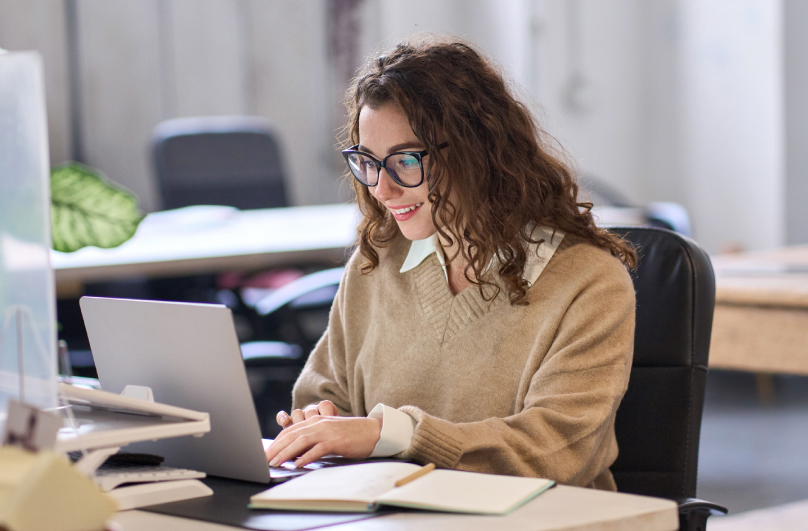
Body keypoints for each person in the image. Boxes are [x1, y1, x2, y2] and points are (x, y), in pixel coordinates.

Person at [263, 36, 638, 490]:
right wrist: (320, 423)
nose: (382, 189)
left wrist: (391, 434)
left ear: (477, 151)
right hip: (388, 518)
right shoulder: (375, 265)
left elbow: (557, 451)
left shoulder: (589, 283)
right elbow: (324, 396)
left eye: (404, 160)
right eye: (368, 162)